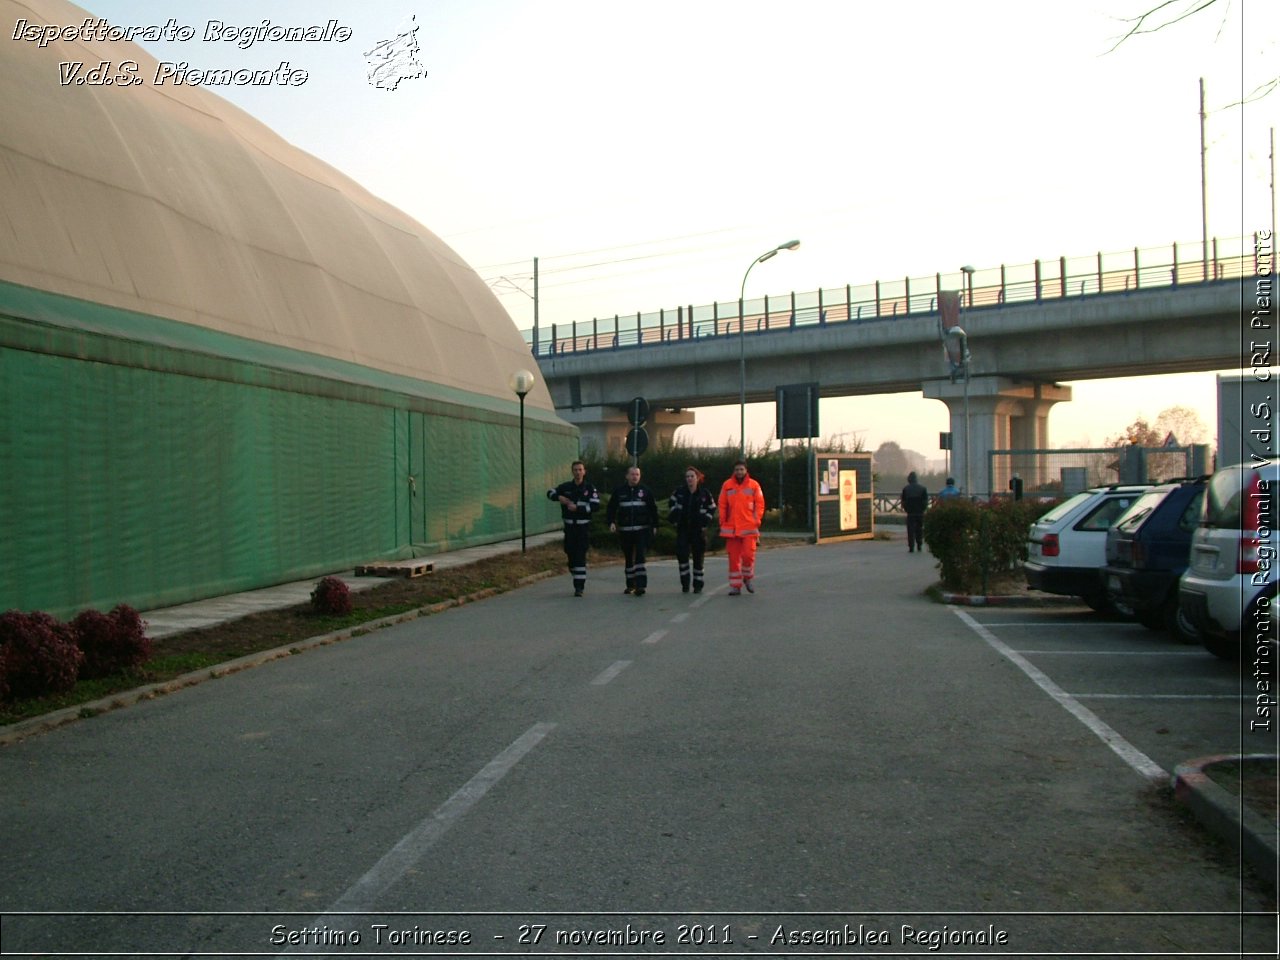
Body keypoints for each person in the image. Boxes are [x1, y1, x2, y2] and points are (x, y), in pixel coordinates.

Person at [547, 460, 599, 596]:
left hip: (583, 528)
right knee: (570, 553)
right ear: (572, 471)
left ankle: (579, 587)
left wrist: (579, 508)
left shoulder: (589, 489)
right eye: (575, 470)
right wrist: (558, 497)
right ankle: (574, 570)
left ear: (584, 471)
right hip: (569, 527)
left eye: (580, 470)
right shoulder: (566, 487)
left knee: (580, 555)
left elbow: (595, 506)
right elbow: (550, 492)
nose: (578, 472)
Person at [607, 464, 659, 596]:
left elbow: (653, 509)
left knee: (640, 556)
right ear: (627, 476)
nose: (635, 477)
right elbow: (611, 508)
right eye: (632, 474)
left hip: (642, 530)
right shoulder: (620, 491)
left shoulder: (645, 491)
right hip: (625, 530)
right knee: (628, 558)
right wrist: (611, 522)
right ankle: (630, 584)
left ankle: (641, 585)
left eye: (637, 474)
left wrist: (655, 526)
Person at [718, 459, 765, 595]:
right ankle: (735, 586)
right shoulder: (727, 485)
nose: (739, 472)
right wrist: (722, 521)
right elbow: (722, 504)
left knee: (748, 556)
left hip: (749, 527)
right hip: (731, 529)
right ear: (734, 471)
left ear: (746, 470)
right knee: (733, 559)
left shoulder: (754, 485)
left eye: (741, 469)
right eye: (737, 469)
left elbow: (760, 504)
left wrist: (756, 520)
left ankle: (748, 578)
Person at [668, 466, 717, 593]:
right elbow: (671, 504)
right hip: (683, 529)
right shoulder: (679, 492)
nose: (689, 479)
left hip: (698, 530)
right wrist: (676, 517)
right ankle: (685, 584)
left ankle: (698, 584)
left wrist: (705, 520)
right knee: (682, 556)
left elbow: (712, 507)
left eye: (692, 476)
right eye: (687, 476)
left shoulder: (704, 493)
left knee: (698, 557)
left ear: (697, 478)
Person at [901, 470, 929, 553]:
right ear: (916, 479)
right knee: (919, 529)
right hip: (920, 512)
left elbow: (903, 501)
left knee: (910, 530)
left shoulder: (906, 489)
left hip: (910, 513)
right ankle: (919, 545)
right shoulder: (923, 488)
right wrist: (923, 509)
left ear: (909, 479)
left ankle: (911, 547)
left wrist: (907, 510)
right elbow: (925, 502)